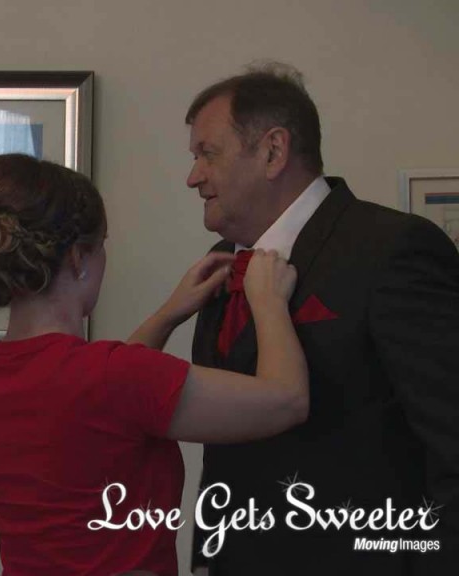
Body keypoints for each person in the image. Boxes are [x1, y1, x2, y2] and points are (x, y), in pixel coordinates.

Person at [0, 153, 309, 576]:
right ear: (78, 257)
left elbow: (96, 406)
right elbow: (287, 400)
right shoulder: (112, 376)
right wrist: (268, 301)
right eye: (102, 245)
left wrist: (168, 314)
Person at [184, 63, 459, 575]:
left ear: (273, 151)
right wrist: (207, 558)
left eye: (208, 153)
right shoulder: (221, 264)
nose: (193, 176)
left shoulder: (392, 249)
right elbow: (226, 447)